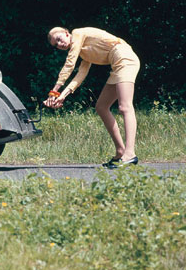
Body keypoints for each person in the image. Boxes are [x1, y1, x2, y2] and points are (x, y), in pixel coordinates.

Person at [44, 27, 140, 168]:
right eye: (56, 45)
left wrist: (55, 91)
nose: (59, 44)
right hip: (117, 64)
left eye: (59, 39)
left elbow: (70, 64)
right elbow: (80, 76)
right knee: (101, 107)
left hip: (124, 58)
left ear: (66, 33)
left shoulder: (77, 33)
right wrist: (62, 96)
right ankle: (120, 152)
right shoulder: (83, 52)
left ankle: (130, 154)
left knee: (124, 106)